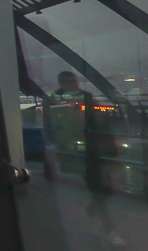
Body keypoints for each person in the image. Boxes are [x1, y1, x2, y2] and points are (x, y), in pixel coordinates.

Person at [52, 71, 125, 249]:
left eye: (74, 80)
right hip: (82, 154)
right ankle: (110, 231)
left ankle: (91, 211)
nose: (73, 84)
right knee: (98, 190)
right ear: (62, 84)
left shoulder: (84, 98)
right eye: (69, 82)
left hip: (95, 150)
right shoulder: (59, 102)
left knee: (105, 190)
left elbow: (100, 121)